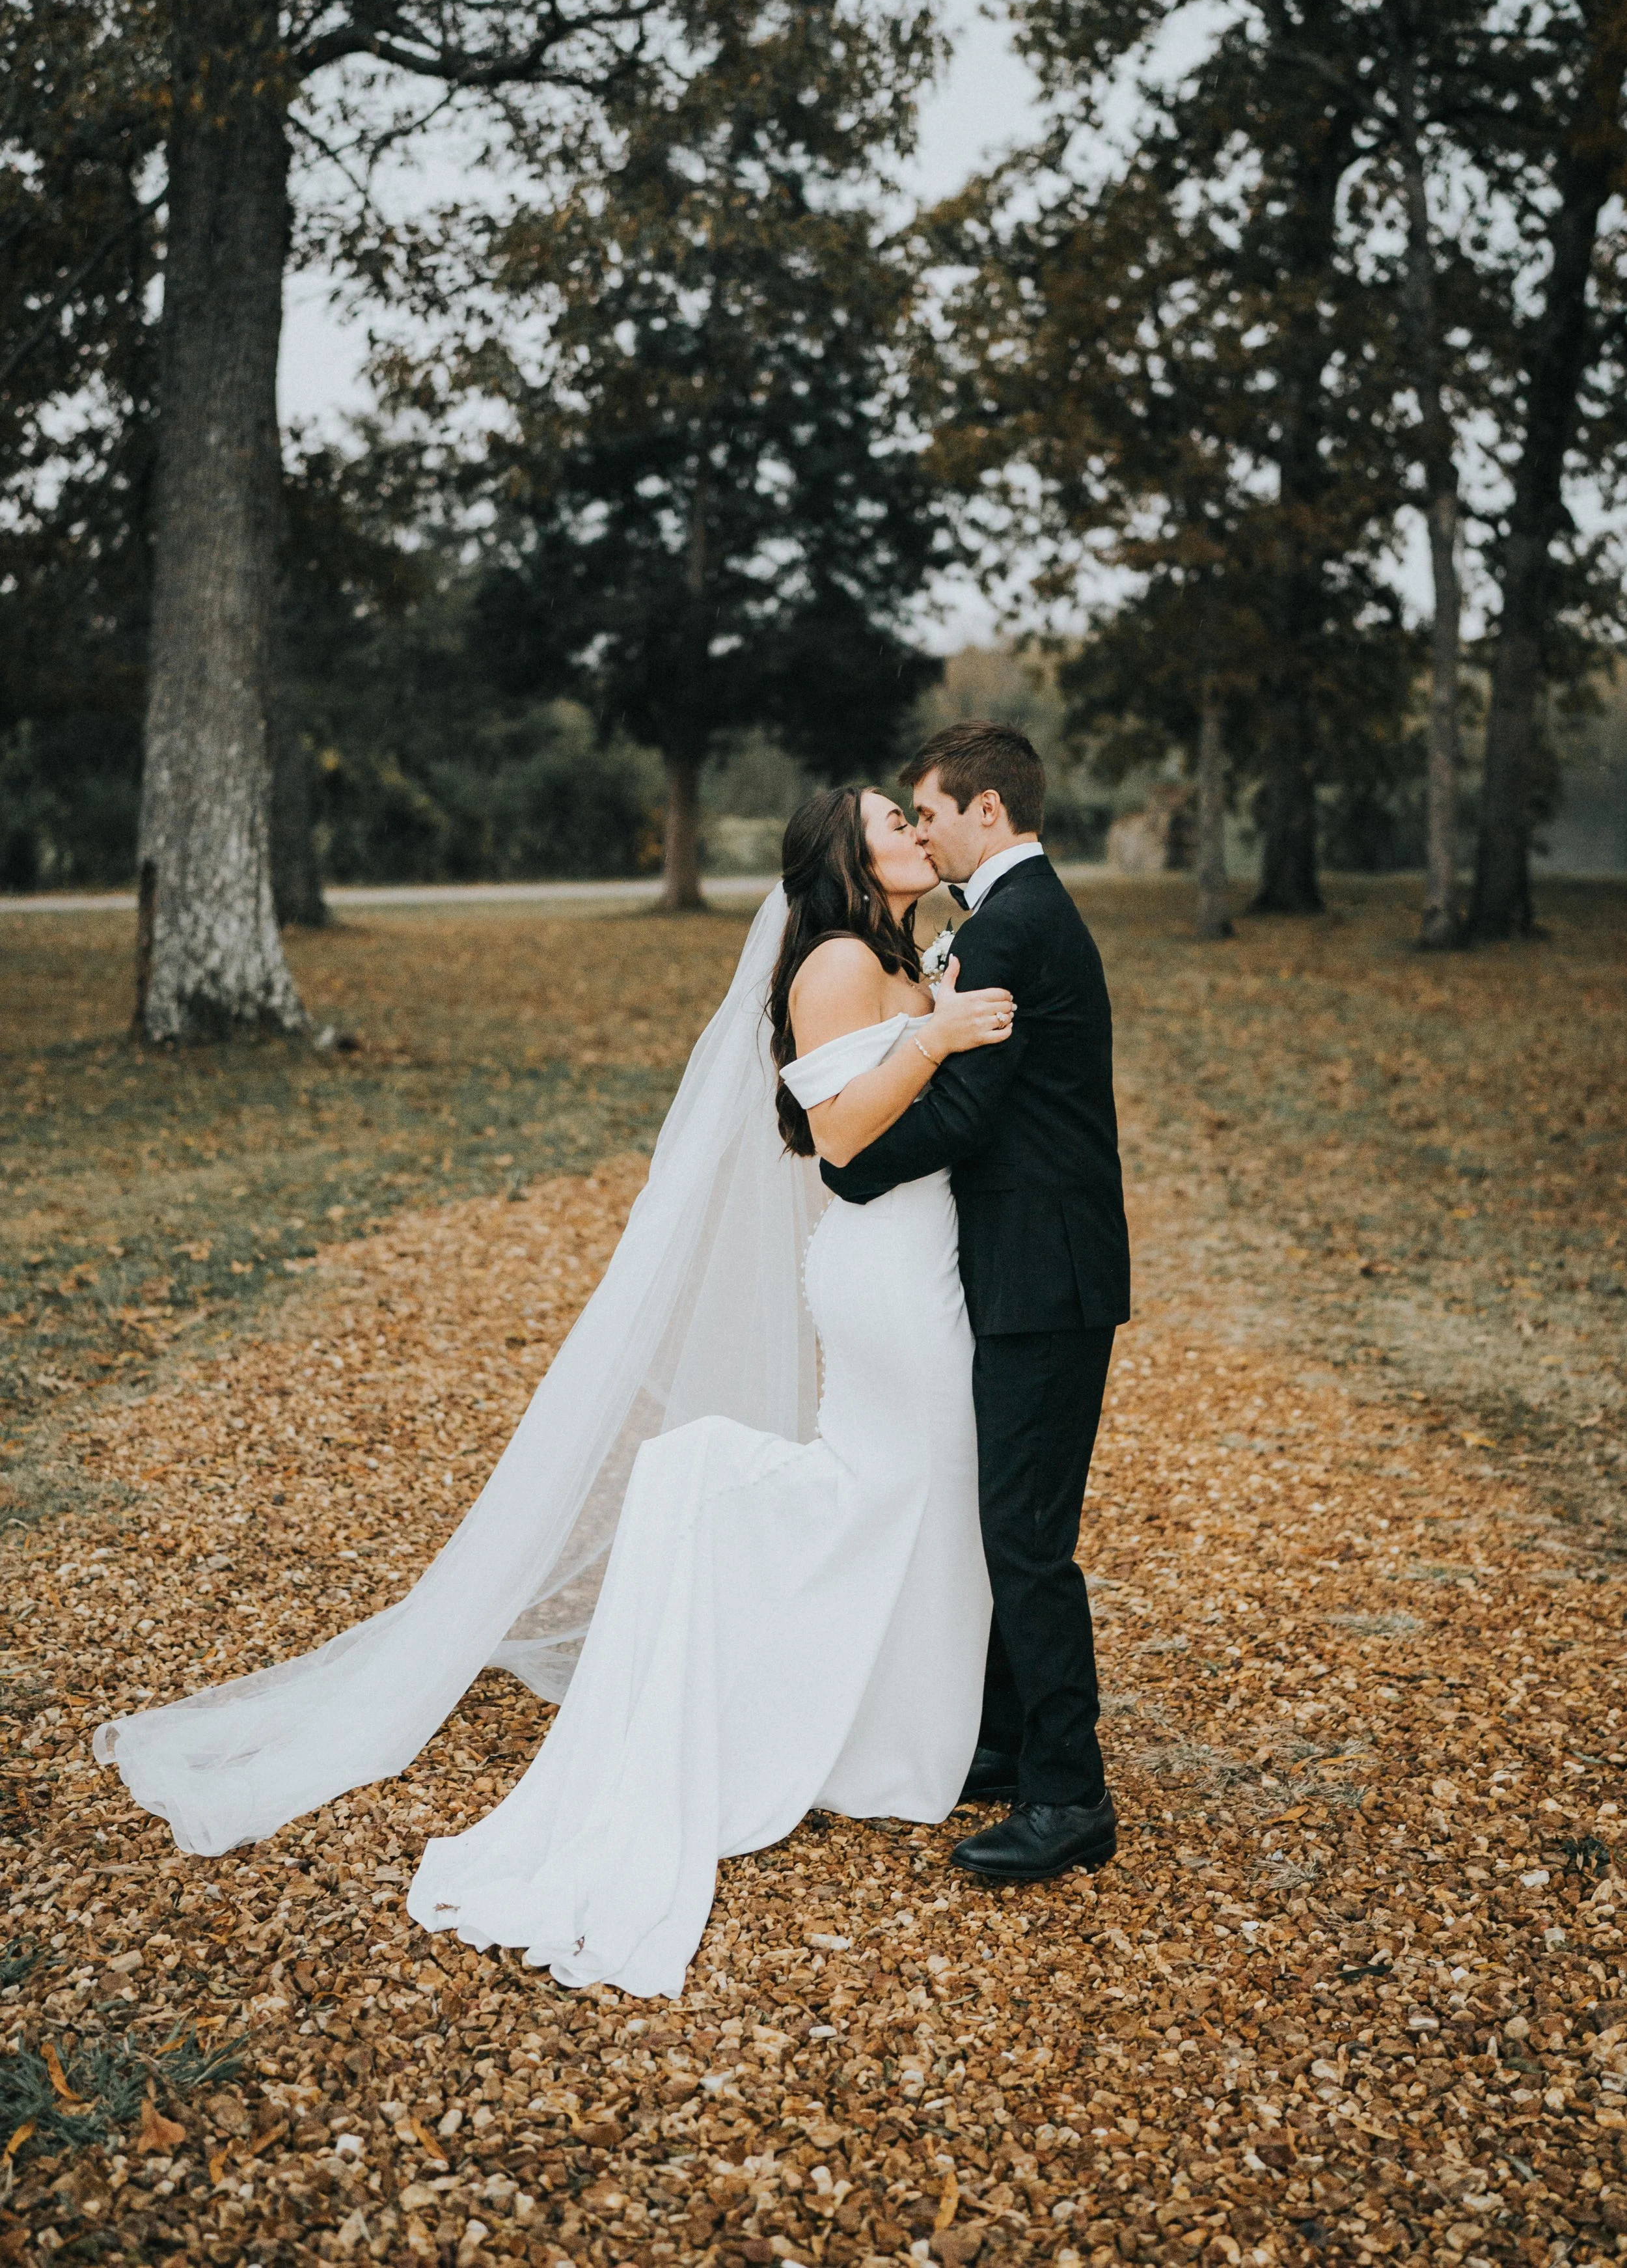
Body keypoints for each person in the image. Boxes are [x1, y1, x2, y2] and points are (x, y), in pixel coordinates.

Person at [95, 784, 1022, 2000]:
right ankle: (768, 1604)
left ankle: (885, 1724)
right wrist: (937, 1037)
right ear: (848, 857)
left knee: (921, 1483)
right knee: (907, 1475)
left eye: (913, 813)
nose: (911, 826)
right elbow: (842, 1138)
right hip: (887, 1270)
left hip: (914, 1258)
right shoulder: (839, 962)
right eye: (889, 820)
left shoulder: (896, 951)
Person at [822, 721, 1132, 1885]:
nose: (925, 829)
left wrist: (852, 1167)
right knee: (1011, 1521)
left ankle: (1070, 1795)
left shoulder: (1012, 924)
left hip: (1042, 1276)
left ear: (988, 810)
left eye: (934, 812)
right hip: (1036, 1266)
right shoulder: (1016, 914)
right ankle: (1007, 1740)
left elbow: (968, 1114)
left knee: (1030, 1538)